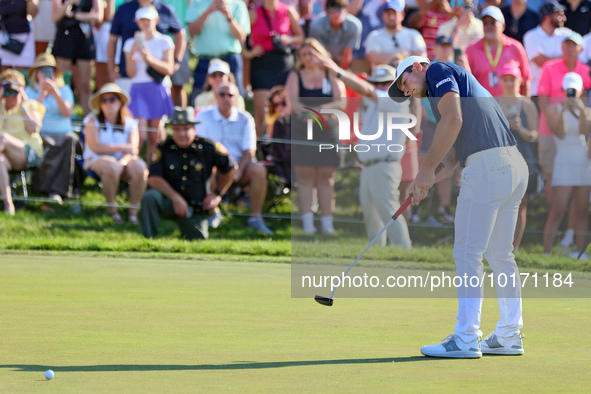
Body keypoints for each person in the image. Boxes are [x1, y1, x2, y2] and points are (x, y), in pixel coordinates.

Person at [389, 55, 528, 357]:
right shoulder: (455, 90)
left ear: (417, 67)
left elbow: (454, 121)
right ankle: (509, 334)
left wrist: (424, 171)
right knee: (499, 254)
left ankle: (466, 337)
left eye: (405, 82)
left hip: (489, 168)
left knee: (468, 252)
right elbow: (451, 159)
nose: (408, 91)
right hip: (513, 167)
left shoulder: (439, 70)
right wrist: (423, 182)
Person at [315, 57, 414, 247]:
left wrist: (338, 72)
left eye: (385, 83)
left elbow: (366, 90)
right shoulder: (373, 106)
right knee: (371, 215)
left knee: (389, 211)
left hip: (385, 165)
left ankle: (404, 250)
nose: (379, 87)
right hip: (369, 166)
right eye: (376, 83)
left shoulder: (397, 100)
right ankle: (377, 254)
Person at [141, 107, 236, 240]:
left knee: (198, 241)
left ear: (194, 129)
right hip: (169, 202)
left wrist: (217, 195)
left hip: (195, 207)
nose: (181, 134)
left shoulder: (208, 147)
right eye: (177, 129)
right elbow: (154, 179)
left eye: (186, 129)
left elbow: (231, 169)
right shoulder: (163, 148)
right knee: (150, 197)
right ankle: (149, 240)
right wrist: (176, 198)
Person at [285, 38, 346, 234]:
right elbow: (292, 105)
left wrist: (318, 111)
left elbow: (341, 102)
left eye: (312, 53)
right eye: (304, 55)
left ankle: (328, 225)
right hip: (303, 131)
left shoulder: (331, 73)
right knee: (305, 177)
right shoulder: (295, 75)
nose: (308, 58)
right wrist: (311, 113)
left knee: (326, 178)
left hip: (328, 131)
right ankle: (307, 225)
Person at [195, 82, 273, 234]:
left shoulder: (246, 119)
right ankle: (214, 212)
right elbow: (200, 147)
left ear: (236, 98)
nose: (226, 98)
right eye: (222, 94)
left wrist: (238, 170)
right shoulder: (204, 115)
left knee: (259, 169)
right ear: (216, 96)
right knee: (206, 165)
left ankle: (255, 218)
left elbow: (249, 150)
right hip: (214, 167)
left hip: (239, 168)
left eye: (230, 95)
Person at [536, 32, 591, 217]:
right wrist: (556, 126)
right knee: (552, 176)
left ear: (580, 49)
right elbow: (543, 101)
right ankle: (554, 219)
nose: (569, 48)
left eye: (573, 45)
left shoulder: (586, 70)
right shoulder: (549, 67)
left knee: (578, 183)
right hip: (548, 130)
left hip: (577, 135)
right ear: (561, 48)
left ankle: (569, 228)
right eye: (565, 45)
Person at [82, 83, 148, 224]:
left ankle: (133, 213)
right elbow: (96, 147)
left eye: (112, 99)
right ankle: (112, 210)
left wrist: (122, 162)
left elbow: (134, 149)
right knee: (112, 167)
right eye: (103, 100)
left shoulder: (130, 123)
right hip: (95, 160)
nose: (108, 103)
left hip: (124, 161)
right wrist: (123, 148)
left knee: (141, 169)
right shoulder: (92, 121)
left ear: (120, 102)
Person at [543, 73, 591, 258]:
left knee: (581, 209)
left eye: (575, 90)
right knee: (558, 209)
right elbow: (560, 133)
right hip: (563, 159)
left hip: (582, 162)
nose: (571, 94)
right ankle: (546, 252)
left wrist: (582, 111)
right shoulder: (552, 109)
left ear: (580, 91)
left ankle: (579, 251)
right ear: (563, 90)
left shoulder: (586, 111)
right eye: (568, 90)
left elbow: (582, 131)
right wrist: (564, 110)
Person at [25, 53, 81, 203]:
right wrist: (42, 95)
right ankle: (43, 187)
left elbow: (67, 113)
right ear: (36, 74)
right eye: (41, 70)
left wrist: (55, 93)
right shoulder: (30, 91)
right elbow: (31, 116)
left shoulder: (65, 91)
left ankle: (58, 191)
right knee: (44, 142)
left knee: (70, 141)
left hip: (64, 134)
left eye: (49, 69)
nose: (45, 73)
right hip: (41, 133)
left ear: (55, 73)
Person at [123, 5, 175, 166]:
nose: (145, 24)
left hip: (158, 88)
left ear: (156, 21)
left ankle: (155, 169)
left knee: (155, 136)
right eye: (141, 20)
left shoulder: (165, 41)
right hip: (138, 89)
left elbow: (169, 69)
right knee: (139, 133)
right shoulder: (130, 43)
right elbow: (131, 73)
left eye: (148, 20)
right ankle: (134, 168)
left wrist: (148, 58)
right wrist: (132, 53)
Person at [496, 62, 539, 251]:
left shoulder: (527, 104)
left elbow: (534, 135)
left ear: (519, 80)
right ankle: (497, 246)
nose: (508, 83)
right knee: (498, 203)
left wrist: (520, 129)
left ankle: (513, 248)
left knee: (521, 204)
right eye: (505, 79)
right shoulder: (494, 103)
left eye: (512, 79)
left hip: (525, 157)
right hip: (500, 159)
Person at [247, 0, 304, 136]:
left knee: (282, 109)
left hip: (283, 63)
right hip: (262, 63)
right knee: (262, 112)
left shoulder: (288, 11)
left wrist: (289, 39)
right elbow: (239, 35)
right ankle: (259, 149)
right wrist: (247, 53)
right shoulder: (253, 13)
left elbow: (300, 36)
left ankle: (282, 149)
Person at [0, 70, 45, 215]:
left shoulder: (31, 105)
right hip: (5, 154)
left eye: (15, 90)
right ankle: (8, 205)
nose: (11, 95)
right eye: (7, 91)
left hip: (28, 152)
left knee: (2, 138)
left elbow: (34, 128)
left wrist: (23, 106)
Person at [185, 0, 250, 99]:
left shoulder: (238, 4)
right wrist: (208, 12)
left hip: (230, 60)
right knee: (198, 98)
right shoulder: (196, 3)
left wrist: (229, 17)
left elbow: (241, 36)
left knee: (234, 100)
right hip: (205, 61)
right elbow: (191, 32)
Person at [465, 6, 531, 97]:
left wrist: (525, 107)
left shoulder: (515, 47)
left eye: (493, 22)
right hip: (483, 106)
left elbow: (526, 80)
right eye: (485, 23)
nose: (488, 26)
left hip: (510, 107)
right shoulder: (471, 50)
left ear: (503, 26)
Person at [51, 0, 103, 115]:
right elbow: (55, 17)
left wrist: (76, 15)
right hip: (64, 37)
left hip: (84, 38)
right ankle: (63, 114)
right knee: (62, 81)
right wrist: (69, 3)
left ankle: (88, 120)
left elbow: (99, 16)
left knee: (85, 84)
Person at [523, 0, 572, 97]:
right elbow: (540, 61)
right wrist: (564, 59)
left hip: (560, 92)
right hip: (536, 91)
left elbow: (576, 55)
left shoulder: (567, 34)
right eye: (559, 14)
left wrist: (548, 58)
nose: (564, 18)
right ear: (548, 16)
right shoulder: (530, 36)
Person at [365, 0, 427, 69]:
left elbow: (421, 58)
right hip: (383, 78)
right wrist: (400, 55)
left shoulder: (414, 34)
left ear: (402, 15)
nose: (391, 17)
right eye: (388, 13)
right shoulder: (374, 36)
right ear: (382, 15)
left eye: (394, 13)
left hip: (409, 78)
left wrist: (397, 60)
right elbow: (374, 58)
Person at [309, 0, 362, 71]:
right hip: (321, 62)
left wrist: (341, 75)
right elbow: (321, 53)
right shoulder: (316, 25)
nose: (336, 14)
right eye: (332, 10)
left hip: (341, 62)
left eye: (340, 9)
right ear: (327, 11)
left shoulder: (354, 25)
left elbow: (346, 54)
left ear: (346, 10)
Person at [0, 0, 38, 70]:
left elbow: (33, 13)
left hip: (24, 38)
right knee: (5, 71)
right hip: (4, 38)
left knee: (24, 70)